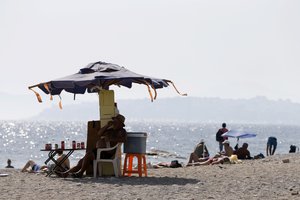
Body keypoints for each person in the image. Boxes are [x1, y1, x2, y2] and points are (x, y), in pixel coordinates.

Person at [58, 114, 127, 178]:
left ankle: (80, 173)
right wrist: (107, 126)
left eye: (116, 121)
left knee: (89, 154)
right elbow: (99, 133)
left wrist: (111, 139)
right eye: (114, 120)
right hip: (99, 151)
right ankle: (65, 173)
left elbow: (124, 140)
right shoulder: (111, 130)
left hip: (106, 153)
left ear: (120, 123)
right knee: (81, 162)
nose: (114, 122)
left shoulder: (121, 131)